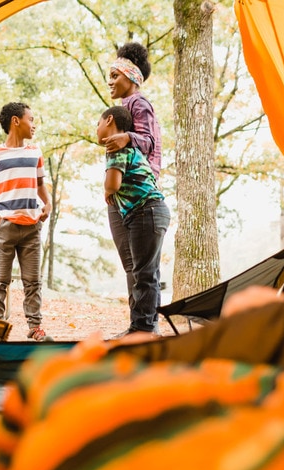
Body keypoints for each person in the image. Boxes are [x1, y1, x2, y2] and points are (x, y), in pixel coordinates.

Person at [103, 42, 168, 335]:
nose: (110, 81)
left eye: (115, 75)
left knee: (143, 268)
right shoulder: (121, 109)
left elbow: (149, 141)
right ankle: (137, 325)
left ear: (132, 77)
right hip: (122, 197)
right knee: (132, 266)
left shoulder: (139, 104)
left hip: (142, 193)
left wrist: (126, 136)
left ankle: (145, 328)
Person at [0, 102, 52, 342]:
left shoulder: (35, 152)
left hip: (32, 226)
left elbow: (39, 184)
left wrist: (47, 203)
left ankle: (35, 327)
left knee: (33, 282)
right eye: (31, 119)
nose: (34, 124)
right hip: (5, 226)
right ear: (15, 121)